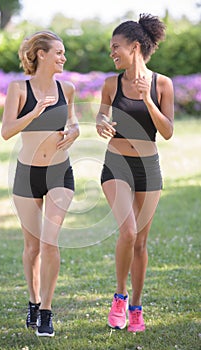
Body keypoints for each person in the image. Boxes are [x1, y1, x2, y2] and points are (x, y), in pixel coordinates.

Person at [96, 13, 174, 332]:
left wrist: (147, 100)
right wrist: (101, 123)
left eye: (117, 46)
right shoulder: (110, 84)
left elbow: (167, 131)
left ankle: (137, 308)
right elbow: (101, 116)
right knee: (127, 232)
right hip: (116, 164)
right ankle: (119, 297)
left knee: (141, 242)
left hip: (148, 168)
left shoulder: (162, 84)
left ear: (136, 47)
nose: (112, 52)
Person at [1, 30, 79, 337]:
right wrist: (33, 113)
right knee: (32, 247)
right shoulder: (18, 88)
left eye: (63, 52)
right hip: (26, 175)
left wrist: (75, 131)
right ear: (41, 54)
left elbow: (71, 122)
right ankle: (33, 301)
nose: (63, 57)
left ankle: (46, 310)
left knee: (49, 242)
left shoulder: (68, 89)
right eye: (58, 52)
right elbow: (6, 131)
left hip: (60, 173)